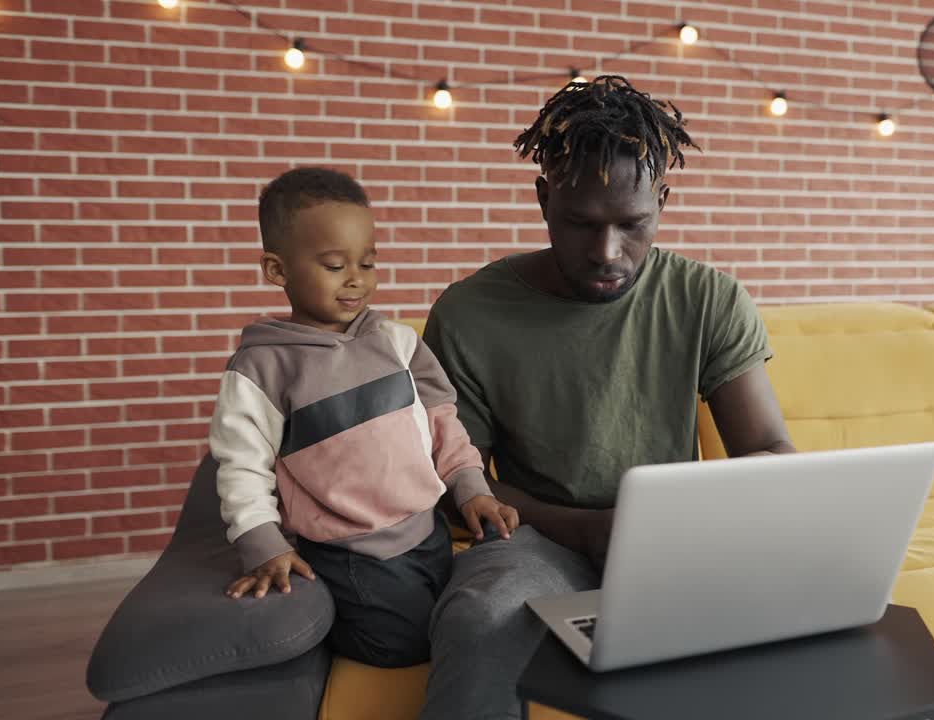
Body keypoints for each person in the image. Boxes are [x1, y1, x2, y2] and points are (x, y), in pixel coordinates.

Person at [420, 76, 796, 718]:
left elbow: (765, 448)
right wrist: (589, 531)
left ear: (663, 202)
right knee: (481, 617)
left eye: (632, 224)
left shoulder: (707, 299)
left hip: (680, 541)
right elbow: (458, 489)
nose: (607, 253)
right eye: (580, 224)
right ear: (543, 201)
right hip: (538, 538)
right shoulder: (469, 313)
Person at [208, 167, 519, 669]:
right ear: (277, 270)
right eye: (334, 265)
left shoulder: (398, 342)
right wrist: (261, 544)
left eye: (368, 263)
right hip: (355, 552)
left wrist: (471, 487)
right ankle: (337, 620)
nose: (357, 279)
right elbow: (242, 465)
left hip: (428, 531)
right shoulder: (263, 367)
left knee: (466, 623)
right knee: (404, 652)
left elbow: (443, 423)